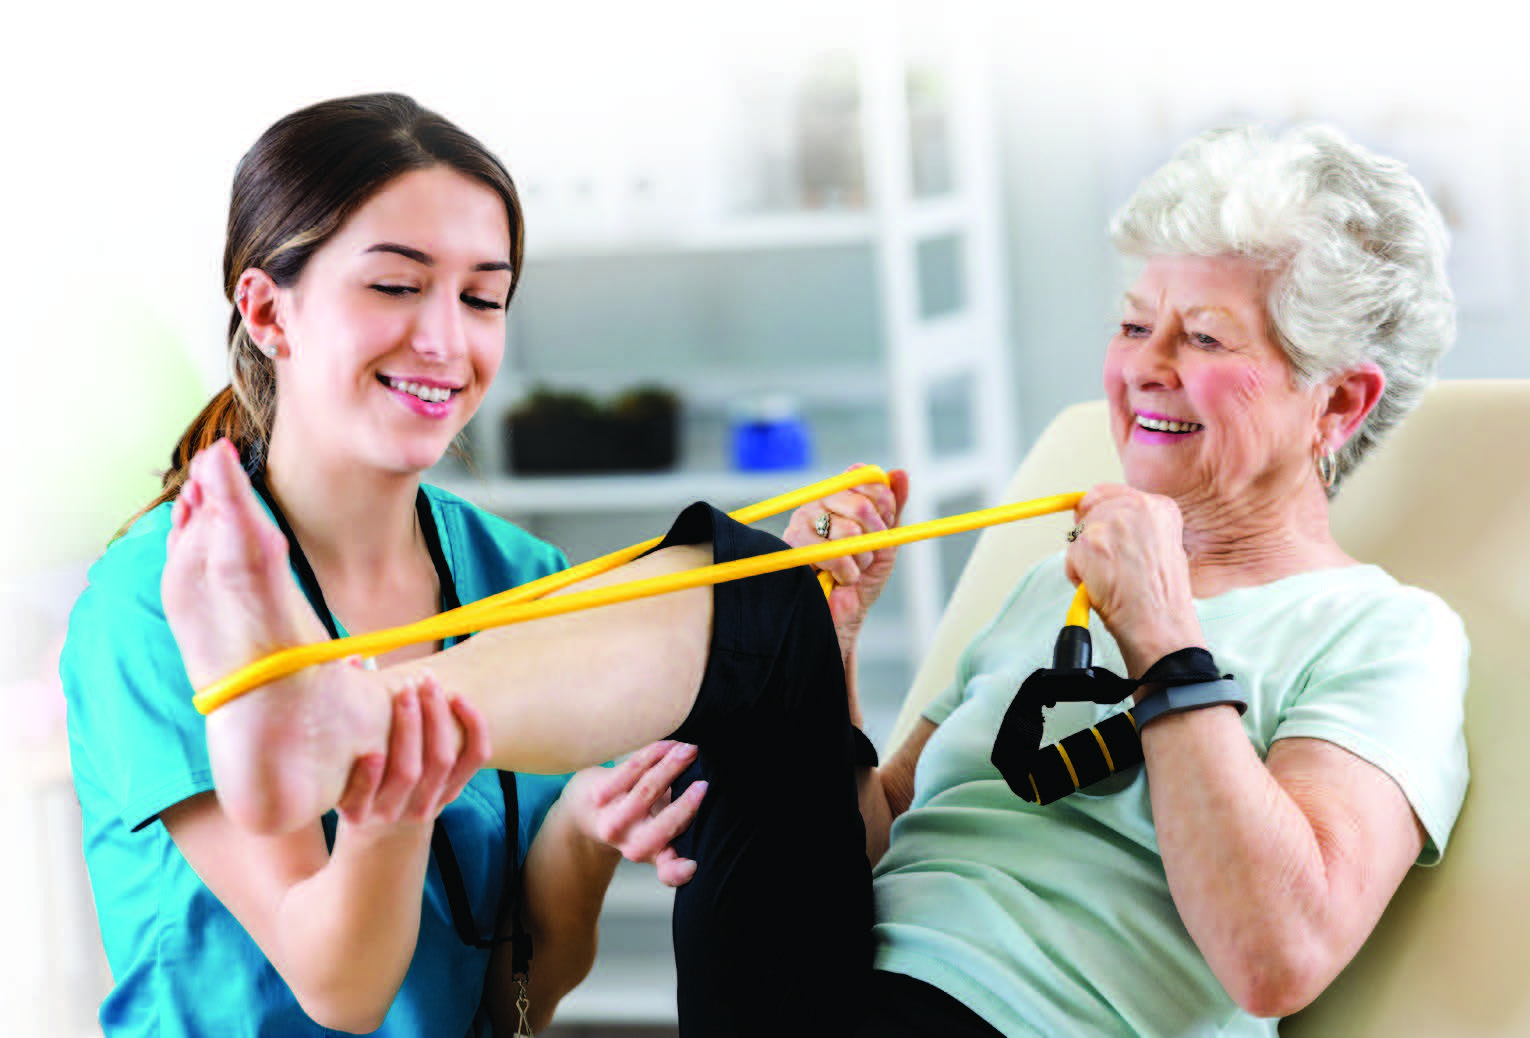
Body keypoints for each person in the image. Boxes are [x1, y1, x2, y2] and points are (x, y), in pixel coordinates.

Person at [150, 119, 1467, 1037]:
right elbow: (870, 837)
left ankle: (346, 717)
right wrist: (823, 656)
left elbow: (1275, 951)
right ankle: (349, 714)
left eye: (1205, 337)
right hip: (811, 979)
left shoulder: (1381, 635)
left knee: (767, 606)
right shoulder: (1043, 592)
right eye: (1134, 323)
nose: (1143, 366)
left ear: (1337, 400)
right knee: (769, 589)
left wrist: (1165, 639)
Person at [60, 93, 869, 1038]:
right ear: (268, 310)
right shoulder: (156, 603)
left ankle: (348, 717)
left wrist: (582, 832)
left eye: (483, 297)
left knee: (762, 597)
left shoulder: (522, 576)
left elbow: (522, 999)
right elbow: (343, 991)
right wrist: (393, 801)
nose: (447, 340)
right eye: (397, 287)